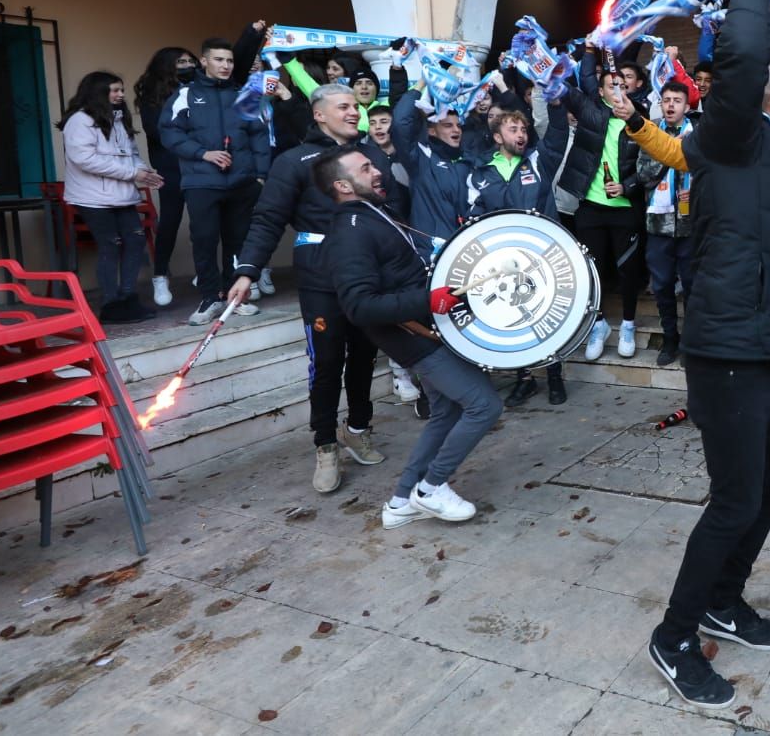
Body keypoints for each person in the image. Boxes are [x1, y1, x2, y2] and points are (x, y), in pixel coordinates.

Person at [643, 0, 770, 710]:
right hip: (723, 348)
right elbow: (745, 55)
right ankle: (675, 635)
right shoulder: (731, 133)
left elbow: (756, 244)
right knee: (734, 497)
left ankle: (725, 599)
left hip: (763, 341)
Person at [226, 84, 403, 490]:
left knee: (364, 357)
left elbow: (389, 212)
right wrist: (247, 271)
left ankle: (358, 428)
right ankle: (325, 445)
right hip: (321, 280)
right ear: (319, 114)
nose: (354, 113)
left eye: (356, 107)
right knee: (325, 364)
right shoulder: (293, 161)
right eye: (344, 107)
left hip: (368, 279)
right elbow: (268, 218)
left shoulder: (371, 156)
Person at [317, 147, 502, 529]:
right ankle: (431, 488)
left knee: (447, 412)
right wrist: (429, 299)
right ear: (342, 184)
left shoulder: (372, 213)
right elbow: (359, 306)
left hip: (427, 330)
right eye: (365, 168)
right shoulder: (349, 232)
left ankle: (401, 501)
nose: (376, 172)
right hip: (413, 338)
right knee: (483, 406)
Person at [159, 37, 271, 325]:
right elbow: (169, 133)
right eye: (219, 59)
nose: (225, 65)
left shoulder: (244, 94)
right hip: (201, 182)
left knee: (238, 241)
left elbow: (259, 136)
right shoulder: (185, 94)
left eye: (230, 60)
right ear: (204, 61)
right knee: (205, 241)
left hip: (242, 182)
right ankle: (210, 297)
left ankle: (235, 299)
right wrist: (203, 153)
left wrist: (260, 175)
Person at [466, 106, 572, 406]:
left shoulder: (539, 160)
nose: (521, 135)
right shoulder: (481, 170)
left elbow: (559, 133)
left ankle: (554, 375)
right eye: (513, 130)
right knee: (513, 316)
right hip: (503, 260)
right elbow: (475, 214)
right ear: (498, 137)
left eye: (523, 130)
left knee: (546, 315)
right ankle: (523, 379)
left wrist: (554, 100)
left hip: (542, 255)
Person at [558, 51, 645, 361]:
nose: (617, 88)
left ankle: (629, 325)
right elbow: (581, 82)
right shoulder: (592, 112)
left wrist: (628, 186)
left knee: (628, 271)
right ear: (601, 91)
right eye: (611, 84)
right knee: (591, 271)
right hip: (591, 206)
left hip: (625, 207)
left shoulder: (640, 117)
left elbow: (650, 165)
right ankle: (597, 325)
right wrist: (590, 51)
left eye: (622, 83)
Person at [59, 72, 165, 323]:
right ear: (97, 92)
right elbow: (84, 159)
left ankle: (128, 299)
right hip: (92, 198)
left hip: (122, 196)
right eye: (115, 90)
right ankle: (110, 305)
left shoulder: (118, 119)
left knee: (136, 242)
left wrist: (144, 173)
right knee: (111, 246)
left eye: (121, 89)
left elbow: (132, 153)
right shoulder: (80, 120)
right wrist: (132, 173)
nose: (121, 95)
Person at [635, 81, 700, 368]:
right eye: (666, 100)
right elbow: (643, 176)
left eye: (677, 100)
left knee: (692, 286)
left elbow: (711, 174)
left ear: (687, 106)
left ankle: (691, 343)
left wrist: (696, 190)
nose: (671, 105)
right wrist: (668, 152)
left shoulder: (698, 135)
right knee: (661, 286)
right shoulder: (650, 133)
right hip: (658, 225)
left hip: (691, 226)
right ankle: (670, 338)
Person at [135, 47, 199, 308]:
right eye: (180, 62)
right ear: (166, 66)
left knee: (203, 220)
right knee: (170, 221)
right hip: (170, 165)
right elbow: (156, 132)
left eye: (190, 61)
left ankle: (204, 272)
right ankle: (160, 276)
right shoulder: (152, 95)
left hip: (197, 162)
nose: (187, 66)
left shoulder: (199, 88)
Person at [390, 78, 473, 244]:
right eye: (448, 126)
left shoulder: (470, 161)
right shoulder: (420, 158)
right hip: (430, 250)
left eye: (458, 125)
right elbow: (400, 124)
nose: (456, 130)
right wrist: (421, 84)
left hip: (466, 248)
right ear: (432, 131)